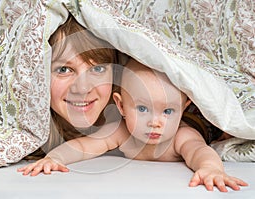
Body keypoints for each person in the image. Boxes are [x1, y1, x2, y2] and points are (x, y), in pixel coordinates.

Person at [18, 58, 248, 192]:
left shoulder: (181, 136)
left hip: (198, 122)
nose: (156, 122)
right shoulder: (120, 132)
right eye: (142, 109)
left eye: (168, 111)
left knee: (216, 129)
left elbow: (199, 152)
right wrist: (55, 158)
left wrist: (211, 169)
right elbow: (86, 145)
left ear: (183, 106)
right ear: (120, 106)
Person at [24, 14, 122, 160]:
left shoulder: (132, 127)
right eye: (64, 70)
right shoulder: (20, 139)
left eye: (97, 69)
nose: (83, 88)